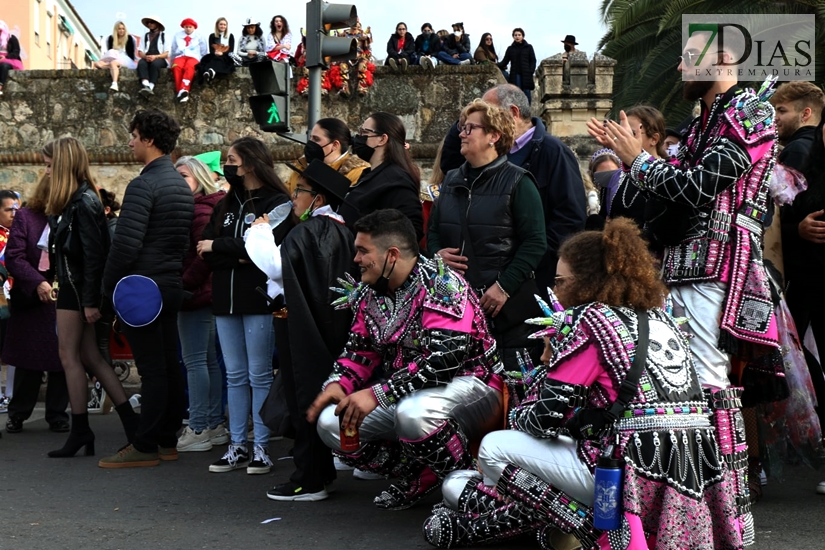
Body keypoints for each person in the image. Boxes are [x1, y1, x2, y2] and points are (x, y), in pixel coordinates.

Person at [423, 218, 744, 550]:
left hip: (632, 470)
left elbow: (543, 420)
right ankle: (563, 526)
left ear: (586, 282)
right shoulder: (660, 316)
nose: (557, 290)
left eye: (561, 281)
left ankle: (588, 529)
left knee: (493, 449)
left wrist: (527, 404)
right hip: (690, 469)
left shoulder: (589, 319)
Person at [586, 32, 780, 536]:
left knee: (708, 383)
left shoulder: (751, 114)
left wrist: (640, 160)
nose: (678, 68)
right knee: (684, 385)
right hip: (682, 267)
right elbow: (671, 186)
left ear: (718, 59)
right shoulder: (703, 125)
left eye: (686, 58)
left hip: (718, 267)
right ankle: (689, 509)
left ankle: (725, 518)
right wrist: (637, 162)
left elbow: (694, 188)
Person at [307, 209, 504, 510]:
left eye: (363, 251)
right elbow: (360, 350)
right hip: (410, 394)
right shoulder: (370, 293)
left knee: (413, 414)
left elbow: (443, 362)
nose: (356, 259)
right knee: (331, 422)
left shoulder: (442, 286)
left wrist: (376, 394)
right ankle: (421, 475)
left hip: (475, 387)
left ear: (392, 255)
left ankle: (467, 486)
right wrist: (339, 384)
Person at [245, 159, 356, 501]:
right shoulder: (340, 230)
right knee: (312, 393)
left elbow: (278, 267)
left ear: (318, 199)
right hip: (328, 326)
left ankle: (309, 479)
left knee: (304, 394)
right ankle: (317, 473)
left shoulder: (310, 231)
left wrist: (259, 232)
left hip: (303, 327)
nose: (294, 197)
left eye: (300, 191)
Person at [99, 110, 194, 468]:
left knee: (153, 370)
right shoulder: (179, 185)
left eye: (134, 135)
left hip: (142, 289)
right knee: (168, 366)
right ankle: (167, 440)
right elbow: (182, 243)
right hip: (169, 285)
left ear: (149, 140)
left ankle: (145, 444)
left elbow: (125, 246)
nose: (129, 141)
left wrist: (109, 291)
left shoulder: (144, 185)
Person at [427, 99, 546, 371]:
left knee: (508, 392)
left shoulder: (519, 182)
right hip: (455, 308)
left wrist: (503, 287)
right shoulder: (451, 181)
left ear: (494, 136)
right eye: (462, 127)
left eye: (471, 128)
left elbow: (536, 242)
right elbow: (434, 231)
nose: (462, 133)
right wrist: (436, 255)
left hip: (506, 314)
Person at [40, 138, 139, 458]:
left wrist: (91, 301)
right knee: (88, 357)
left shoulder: (83, 201)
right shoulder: (73, 200)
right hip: (75, 287)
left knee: (71, 357)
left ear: (64, 163)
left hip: (78, 289)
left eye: (50, 164)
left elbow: (96, 255)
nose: (46, 169)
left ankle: (83, 429)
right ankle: (122, 426)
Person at [199, 136, 292, 475]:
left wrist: (224, 248)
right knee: (235, 375)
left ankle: (261, 447)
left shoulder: (277, 201)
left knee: (259, 373)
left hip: (258, 298)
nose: (228, 164)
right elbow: (204, 248)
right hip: (225, 298)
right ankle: (237, 444)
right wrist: (235, 252)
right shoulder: (226, 203)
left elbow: (267, 253)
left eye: (233, 159)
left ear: (251, 163)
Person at [481, 84, 586, 289]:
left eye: (489, 114)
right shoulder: (493, 153)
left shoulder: (553, 152)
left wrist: (528, 262)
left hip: (535, 280)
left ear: (513, 113)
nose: (485, 122)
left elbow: (570, 218)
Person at [773, 83, 825, 432]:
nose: (775, 119)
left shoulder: (798, 151)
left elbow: (776, 218)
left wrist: (795, 231)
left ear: (805, 114)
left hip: (805, 274)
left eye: (782, 111)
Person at [3, 181, 68, 433]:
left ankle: (58, 414)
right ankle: (18, 413)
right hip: (31, 298)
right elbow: (14, 256)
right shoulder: (26, 218)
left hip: (63, 297)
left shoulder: (71, 216)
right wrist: (37, 282)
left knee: (62, 358)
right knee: (28, 360)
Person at [173, 156, 227, 452]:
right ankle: (213, 424)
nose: (178, 182)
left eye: (183, 176)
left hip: (196, 295)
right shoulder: (208, 207)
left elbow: (201, 257)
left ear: (199, 179)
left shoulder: (199, 211)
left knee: (196, 361)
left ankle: (199, 427)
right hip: (205, 293)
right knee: (207, 361)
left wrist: (184, 284)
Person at [338, 112, 424, 241]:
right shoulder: (370, 174)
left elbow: (411, 230)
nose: (358, 138)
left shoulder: (396, 180)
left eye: (364, 133)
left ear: (382, 139)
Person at [599, 105, 666, 228]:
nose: (624, 138)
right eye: (621, 133)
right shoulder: (617, 176)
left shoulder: (667, 176)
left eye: (632, 133)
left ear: (654, 139)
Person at [286, 117, 369, 193]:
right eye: (310, 138)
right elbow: (286, 195)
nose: (310, 143)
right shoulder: (301, 167)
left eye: (316, 139)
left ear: (335, 145)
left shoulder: (357, 174)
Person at [0, 189, 18, 412]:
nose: (14, 214)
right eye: (8, 210)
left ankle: (11, 395)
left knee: (14, 347)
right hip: (1, 298)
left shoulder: (21, 233)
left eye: (16, 209)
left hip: (17, 297)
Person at [169, 18, 208, 103]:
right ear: (183, 27)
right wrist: (171, 62)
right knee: (176, 67)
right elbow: (174, 48)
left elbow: (203, 50)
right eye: (186, 27)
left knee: (189, 67)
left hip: (194, 57)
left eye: (190, 27)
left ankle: (184, 89)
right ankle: (181, 92)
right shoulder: (177, 35)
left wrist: (203, 62)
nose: (188, 29)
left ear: (194, 27)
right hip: (180, 56)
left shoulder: (199, 36)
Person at [94, 21, 138, 92]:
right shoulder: (110, 39)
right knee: (97, 64)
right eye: (119, 29)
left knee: (114, 63)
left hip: (125, 58)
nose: (121, 30)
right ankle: (112, 66)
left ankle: (114, 83)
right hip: (113, 57)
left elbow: (133, 52)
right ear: (116, 30)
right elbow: (108, 51)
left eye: (123, 29)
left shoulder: (130, 38)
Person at [497, 28, 536, 104]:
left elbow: (533, 60)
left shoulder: (529, 47)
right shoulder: (510, 49)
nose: (517, 36)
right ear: (513, 37)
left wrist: (531, 71)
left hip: (526, 74)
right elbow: (504, 62)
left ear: (523, 36)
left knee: (526, 92)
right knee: (517, 92)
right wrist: (495, 64)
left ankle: (527, 112)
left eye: (519, 35)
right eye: (515, 35)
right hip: (515, 74)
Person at [136, 16, 169, 99]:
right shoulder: (144, 36)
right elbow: (140, 51)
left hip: (159, 57)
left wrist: (156, 56)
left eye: (152, 22)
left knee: (155, 64)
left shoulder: (164, 36)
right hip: (147, 56)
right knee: (141, 63)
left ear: (157, 24)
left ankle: (151, 86)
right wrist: (145, 57)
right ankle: (146, 84)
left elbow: (167, 53)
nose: (150, 24)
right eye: (148, 23)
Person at [196, 17, 235, 83]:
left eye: (224, 24)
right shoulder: (212, 36)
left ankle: (210, 71)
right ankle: (209, 72)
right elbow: (211, 49)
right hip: (214, 54)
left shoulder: (230, 36)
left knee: (220, 59)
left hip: (225, 56)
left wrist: (222, 53)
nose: (223, 26)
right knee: (209, 60)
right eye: (221, 24)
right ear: (217, 25)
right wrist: (216, 52)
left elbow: (231, 50)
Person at [0, 21, 23, 97]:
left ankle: (0, 86)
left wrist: (5, 57)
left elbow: (16, 52)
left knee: (4, 66)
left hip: (9, 59)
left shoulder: (11, 38)